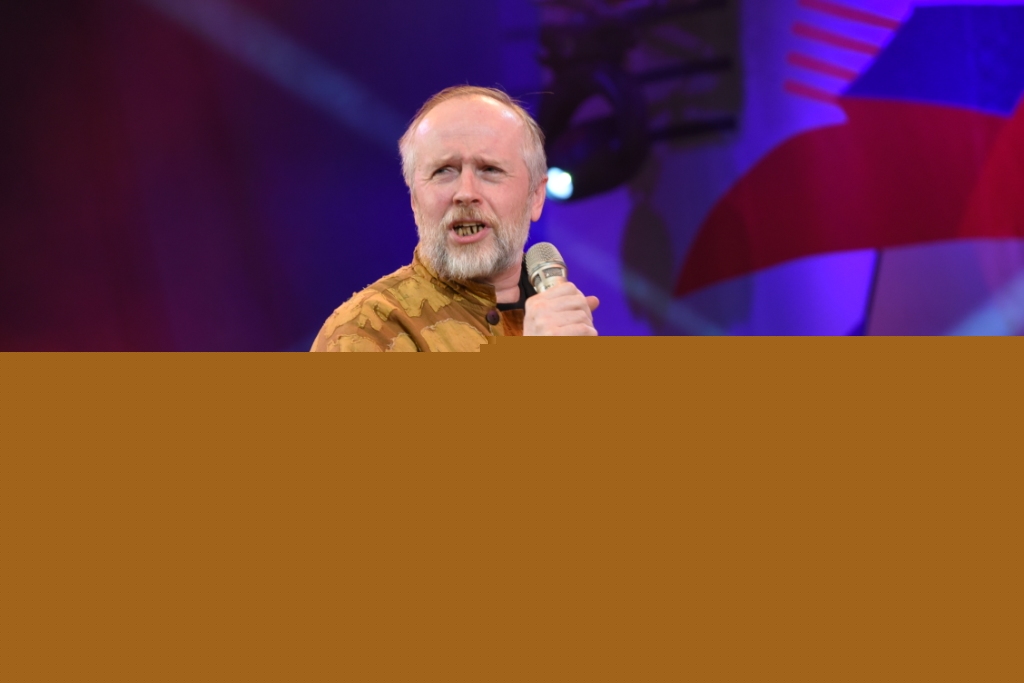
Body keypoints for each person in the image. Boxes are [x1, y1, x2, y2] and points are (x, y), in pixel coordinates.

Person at [310, 85, 599, 352]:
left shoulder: (564, 323)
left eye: (490, 169)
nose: (465, 193)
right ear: (414, 201)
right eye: (443, 171)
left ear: (535, 196)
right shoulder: (362, 330)